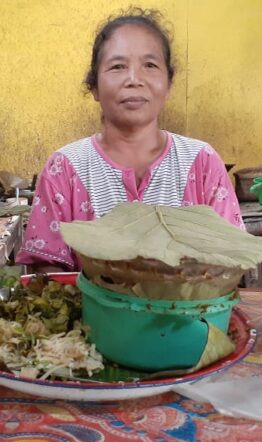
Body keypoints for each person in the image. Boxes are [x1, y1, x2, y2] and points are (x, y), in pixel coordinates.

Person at [16, 8, 243, 273]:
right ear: (94, 87)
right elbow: (47, 271)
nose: (134, 79)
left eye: (150, 65)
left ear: (169, 84)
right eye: (117, 67)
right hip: (93, 314)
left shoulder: (201, 162)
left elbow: (231, 259)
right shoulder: (65, 168)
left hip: (187, 314)